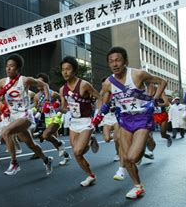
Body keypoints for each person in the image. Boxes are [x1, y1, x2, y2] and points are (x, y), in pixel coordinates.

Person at [97, 46, 167, 199]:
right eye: (111, 62)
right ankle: (138, 186)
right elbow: (104, 101)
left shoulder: (137, 74)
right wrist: (99, 115)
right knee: (126, 158)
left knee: (132, 158)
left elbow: (162, 82)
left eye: (118, 60)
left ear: (125, 61)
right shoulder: (108, 83)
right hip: (125, 120)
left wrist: (154, 101)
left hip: (143, 118)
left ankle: (145, 146)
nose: (114, 64)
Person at [0, 53, 53, 176]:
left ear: (18, 68)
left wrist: (47, 101)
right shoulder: (2, 82)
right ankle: (46, 160)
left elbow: (45, 85)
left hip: (25, 116)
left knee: (5, 132)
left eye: (12, 66)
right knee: (30, 144)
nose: (8, 68)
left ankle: (14, 164)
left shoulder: (25, 80)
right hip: (13, 117)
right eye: (7, 66)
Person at [59, 56, 101, 187]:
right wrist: (57, 108)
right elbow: (64, 107)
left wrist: (98, 115)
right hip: (74, 123)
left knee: (78, 151)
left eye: (68, 69)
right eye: (63, 70)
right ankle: (91, 176)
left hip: (86, 121)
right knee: (77, 154)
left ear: (74, 70)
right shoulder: (62, 89)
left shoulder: (84, 85)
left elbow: (100, 98)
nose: (65, 72)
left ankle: (90, 138)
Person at [33, 73, 71, 166]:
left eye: (40, 82)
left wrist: (61, 109)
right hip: (47, 120)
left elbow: (63, 100)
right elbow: (36, 109)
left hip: (55, 118)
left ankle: (61, 145)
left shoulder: (52, 93)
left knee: (46, 136)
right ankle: (66, 156)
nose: (38, 84)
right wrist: (36, 111)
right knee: (55, 142)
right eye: (37, 82)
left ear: (45, 83)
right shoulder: (36, 96)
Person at [99, 77, 126, 181]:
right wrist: (99, 114)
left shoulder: (116, 91)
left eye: (105, 84)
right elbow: (100, 104)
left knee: (116, 139)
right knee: (106, 139)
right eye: (103, 85)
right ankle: (116, 144)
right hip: (107, 117)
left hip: (116, 117)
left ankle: (117, 153)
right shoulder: (103, 93)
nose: (104, 86)